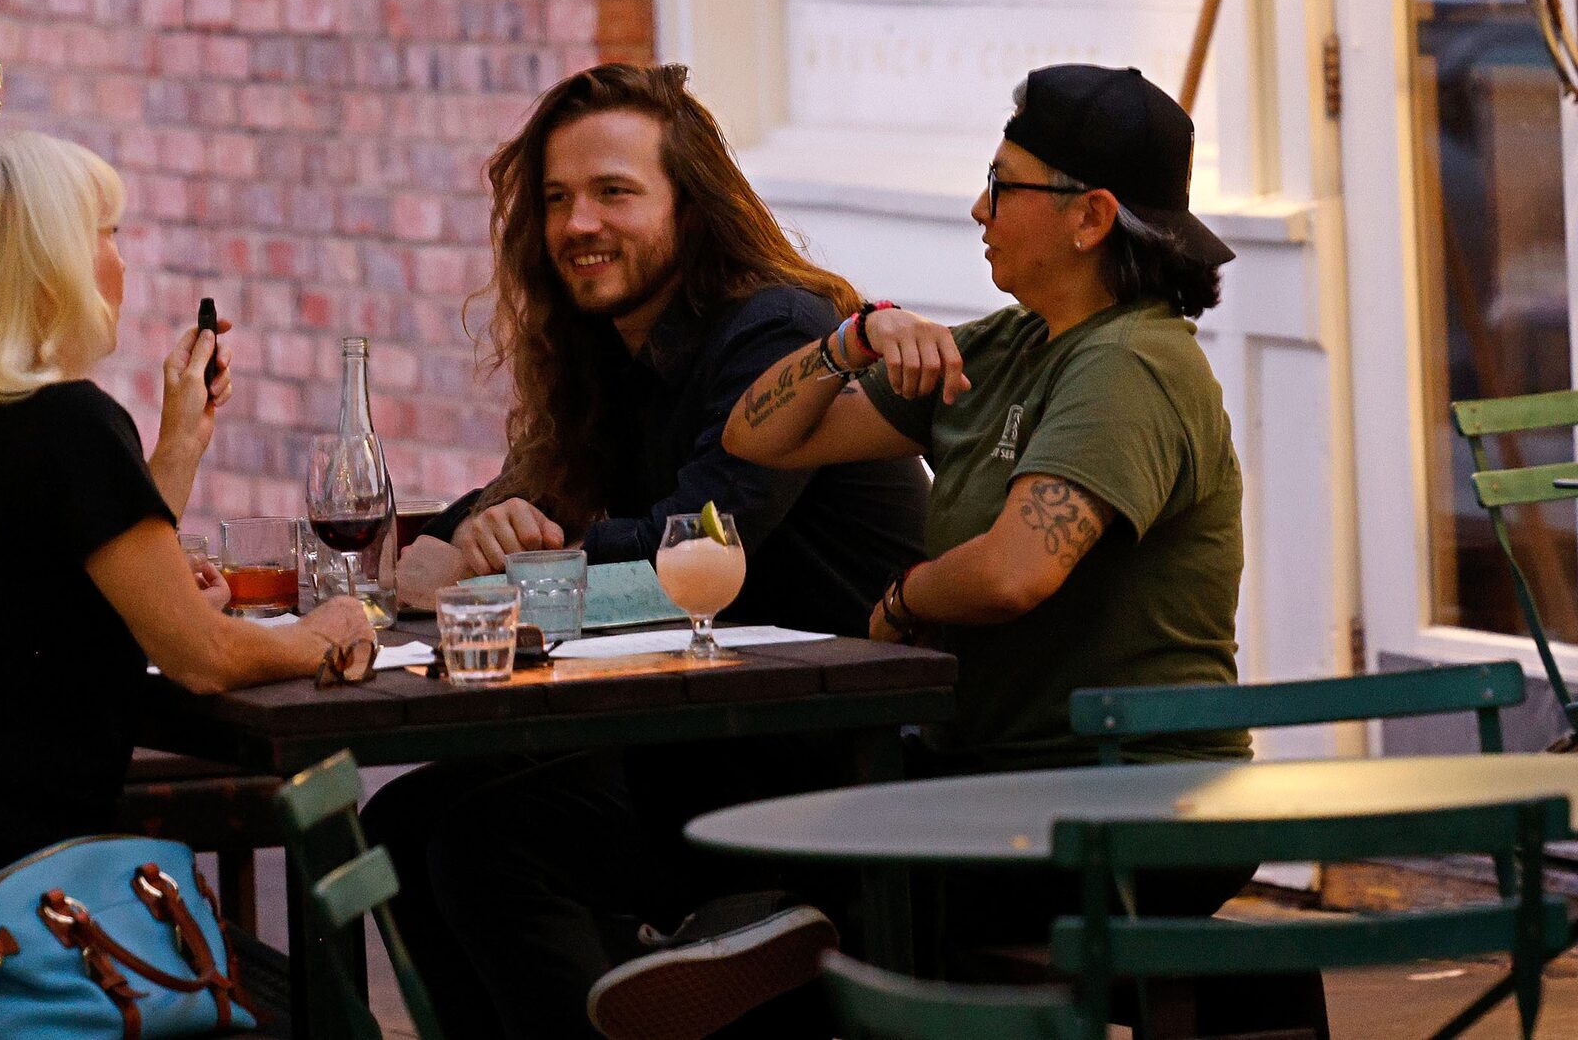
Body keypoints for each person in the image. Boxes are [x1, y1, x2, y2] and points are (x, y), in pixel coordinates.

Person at [373, 63, 928, 1040]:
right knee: (406, 822)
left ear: (692, 203)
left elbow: (693, 545)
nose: (578, 222)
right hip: (697, 740)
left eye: (613, 192)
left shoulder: (775, 330)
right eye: (555, 199)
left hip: (832, 755)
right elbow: (526, 501)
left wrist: (499, 564)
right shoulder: (609, 355)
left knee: (487, 841)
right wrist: (448, 541)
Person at [0, 129, 375, 1024]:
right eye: (104, 233)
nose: (120, 260)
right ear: (47, 263)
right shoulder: (66, 423)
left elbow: (81, 581)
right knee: (326, 1017)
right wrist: (326, 635)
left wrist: (176, 446)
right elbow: (201, 658)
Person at [719, 65, 1252, 940]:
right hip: (998, 783)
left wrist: (901, 599)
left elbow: (1015, 571)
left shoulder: (1133, 364)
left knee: (821, 899)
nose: (978, 209)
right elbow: (756, 439)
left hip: (1127, 796)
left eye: (1003, 186)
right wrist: (850, 340)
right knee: (754, 833)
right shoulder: (1008, 346)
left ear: (1089, 217)